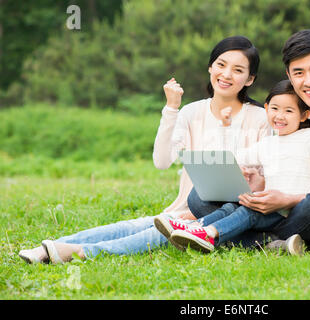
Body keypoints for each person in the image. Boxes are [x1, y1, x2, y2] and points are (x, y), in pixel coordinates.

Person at [18, 36, 270, 264]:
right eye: (221, 65)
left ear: (249, 79)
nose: (226, 74)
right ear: (210, 67)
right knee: (128, 226)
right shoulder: (192, 113)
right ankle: (47, 248)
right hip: (185, 209)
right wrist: (172, 108)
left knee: (152, 233)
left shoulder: (261, 118)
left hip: (226, 217)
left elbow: (269, 178)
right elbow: (162, 161)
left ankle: (76, 253)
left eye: (238, 70)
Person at [187, 29, 310, 253]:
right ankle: (275, 243)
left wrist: (286, 200)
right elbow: (275, 160)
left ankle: (244, 237)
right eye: (298, 73)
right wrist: (254, 182)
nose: (308, 81)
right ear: (289, 75)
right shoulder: (290, 108)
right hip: (278, 213)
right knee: (200, 195)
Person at [155, 79, 310, 254]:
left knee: (247, 212)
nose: (280, 116)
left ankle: (208, 234)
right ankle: (198, 229)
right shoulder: (267, 144)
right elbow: (235, 157)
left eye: (289, 111)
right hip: (267, 210)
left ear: (304, 115)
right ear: (267, 108)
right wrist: (226, 128)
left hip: (295, 211)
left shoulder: (309, 138)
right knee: (230, 207)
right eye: (275, 108)